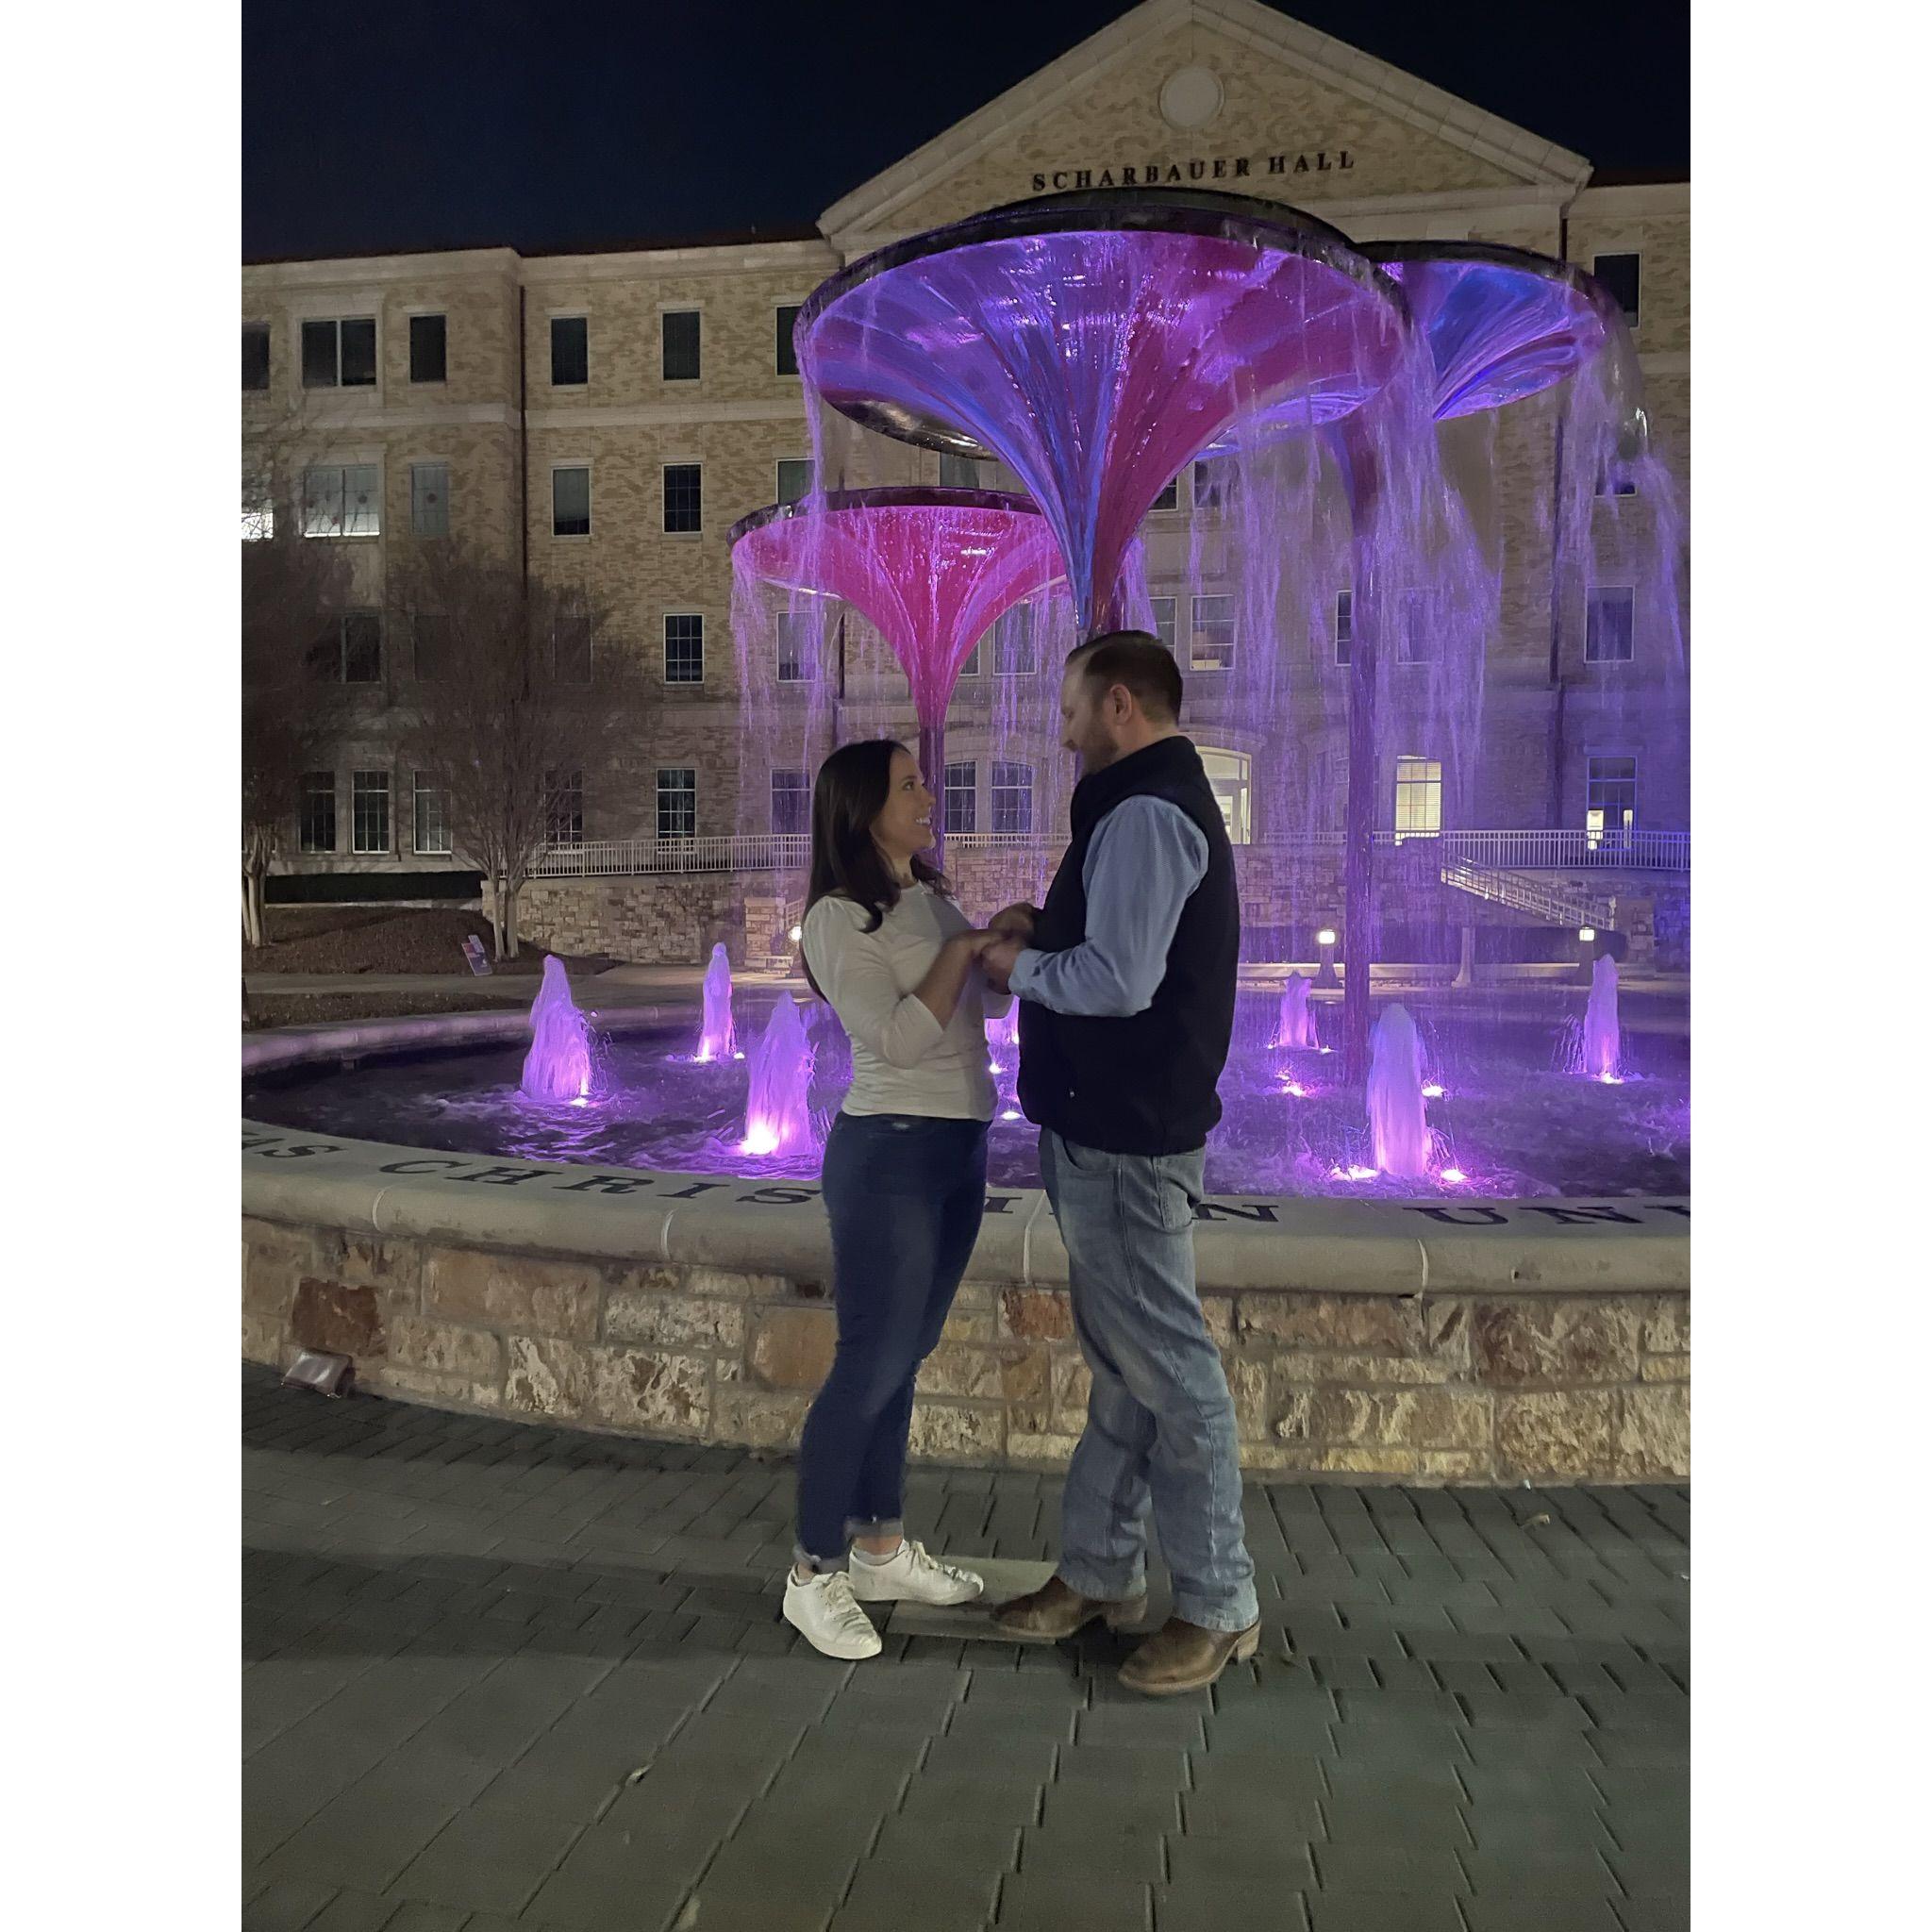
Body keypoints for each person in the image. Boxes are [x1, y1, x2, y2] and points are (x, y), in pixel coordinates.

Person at [980, 631, 1260, 1695]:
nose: (1058, 726)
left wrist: (1022, 962)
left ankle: (1218, 1599)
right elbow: (1108, 939)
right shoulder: (1139, 799)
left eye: (1070, 705)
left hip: (1128, 1139)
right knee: (1128, 1372)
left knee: (1173, 1378)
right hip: (1109, 1130)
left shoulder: (1144, 809)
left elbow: (1118, 976)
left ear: (1122, 705)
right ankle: (1099, 1570)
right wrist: (1044, 924)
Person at [783, 738, 1008, 1659]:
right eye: (908, 783)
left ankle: (878, 1547)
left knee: (905, 1353)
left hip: (956, 1146)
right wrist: (960, 948)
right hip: (888, 1155)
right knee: (867, 1359)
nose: (927, 792)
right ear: (860, 806)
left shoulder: (929, 892)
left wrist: (997, 950)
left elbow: (976, 1012)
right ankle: (810, 1570)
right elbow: (894, 1037)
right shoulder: (837, 918)